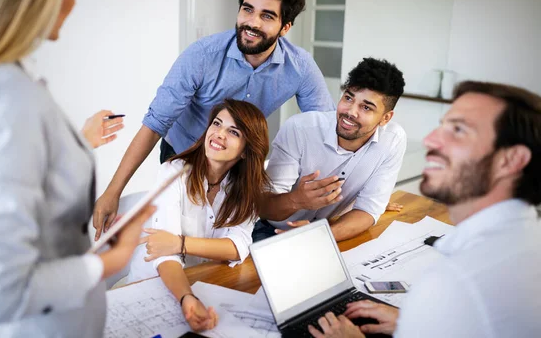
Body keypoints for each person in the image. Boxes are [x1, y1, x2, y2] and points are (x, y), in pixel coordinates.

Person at [0, 0, 154, 337]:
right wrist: (115, 256)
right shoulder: (4, 98)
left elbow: (15, 177)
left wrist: (73, 142)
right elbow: (5, 291)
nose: (74, 0)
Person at [93, 0, 335, 238]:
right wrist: (113, 192)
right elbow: (154, 124)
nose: (252, 23)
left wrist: (316, 208)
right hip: (184, 153)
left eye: (267, 16)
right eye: (247, 9)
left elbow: (323, 130)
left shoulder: (299, 66)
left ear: (285, 27)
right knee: (183, 239)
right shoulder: (202, 55)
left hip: (237, 161)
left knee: (236, 242)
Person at [308, 81, 541, 338]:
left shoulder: (455, 282)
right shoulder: (526, 239)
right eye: (443, 126)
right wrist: (418, 324)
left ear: (512, 159)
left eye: (459, 130)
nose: (431, 139)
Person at [126, 99, 270, 333]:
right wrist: (186, 297)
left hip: (201, 282)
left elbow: (238, 246)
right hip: (154, 285)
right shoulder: (173, 173)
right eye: (216, 123)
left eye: (233, 131)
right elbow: (165, 257)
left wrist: (180, 243)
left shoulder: (245, 188)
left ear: (246, 150)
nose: (219, 134)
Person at [254, 57, 407, 242]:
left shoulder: (393, 140)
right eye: (348, 98)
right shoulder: (300, 128)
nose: (350, 112)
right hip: (271, 231)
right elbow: (262, 207)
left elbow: (367, 210)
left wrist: (318, 235)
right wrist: (297, 200)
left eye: (366, 107)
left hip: (330, 230)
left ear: (385, 118)